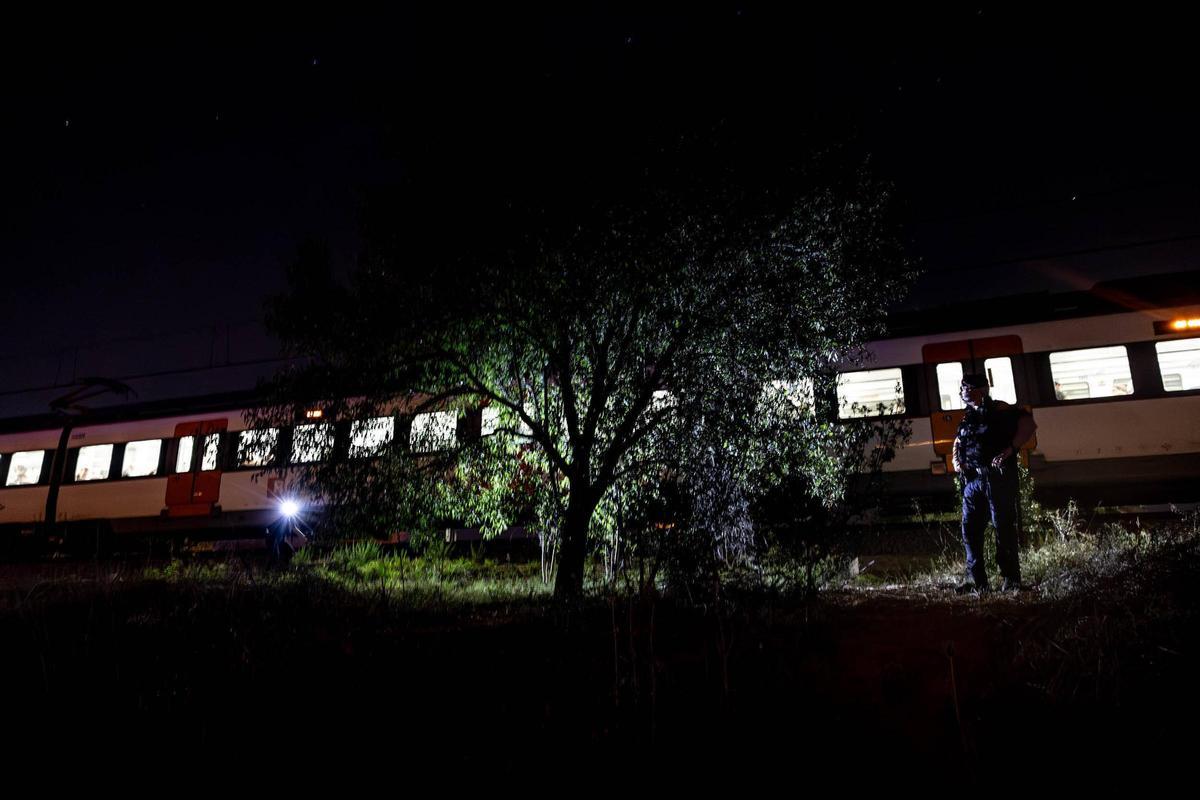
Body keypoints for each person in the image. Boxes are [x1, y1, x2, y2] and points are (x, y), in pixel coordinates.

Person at [952, 373, 1038, 593]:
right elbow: (959, 439)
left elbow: (1029, 424)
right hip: (972, 480)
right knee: (970, 531)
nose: (962, 392)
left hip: (996, 479)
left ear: (980, 390)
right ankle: (978, 582)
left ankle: (1011, 580)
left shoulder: (1000, 411)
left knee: (1003, 529)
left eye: (966, 388)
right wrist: (956, 459)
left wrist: (1012, 449)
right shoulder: (968, 415)